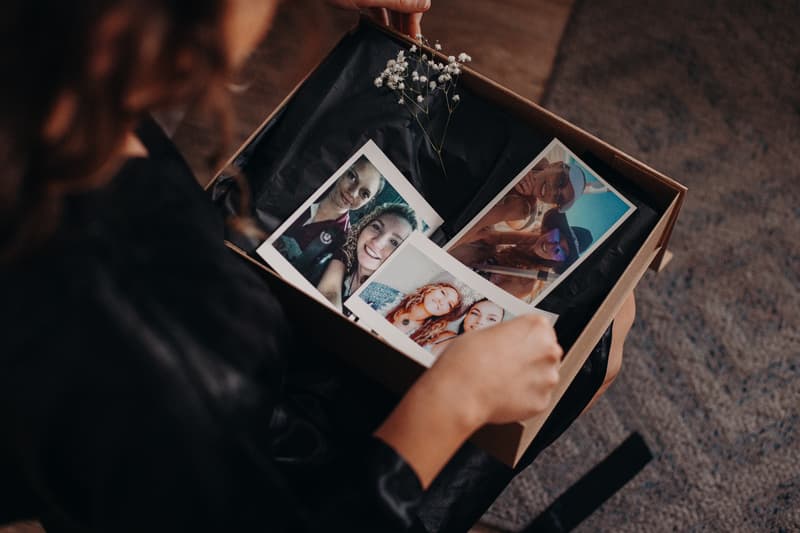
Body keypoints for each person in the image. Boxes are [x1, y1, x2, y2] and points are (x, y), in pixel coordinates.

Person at [0, 1, 634, 531]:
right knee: (604, 335)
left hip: (178, 425)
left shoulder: (49, 99)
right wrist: (452, 404)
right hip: (301, 486)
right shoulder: (125, 309)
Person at [274, 155, 384, 284]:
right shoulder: (303, 184)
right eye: (352, 177)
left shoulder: (342, 241)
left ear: (369, 203)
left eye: (364, 193)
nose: (352, 193)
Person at [316, 202, 418, 310]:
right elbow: (329, 293)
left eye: (394, 242)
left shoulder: (390, 302)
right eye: (376, 227)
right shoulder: (344, 254)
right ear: (364, 226)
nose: (377, 242)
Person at [384, 282, 467, 346]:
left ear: (447, 313)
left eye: (449, 304)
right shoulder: (388, 295)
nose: (441, 301)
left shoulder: (424, 337)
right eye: (443, 293)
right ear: (430, 289)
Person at [425, 298, 506, 357]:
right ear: (466, 316)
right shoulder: (445, 335)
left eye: (491, 319)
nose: (480, 321)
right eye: (475, 313)